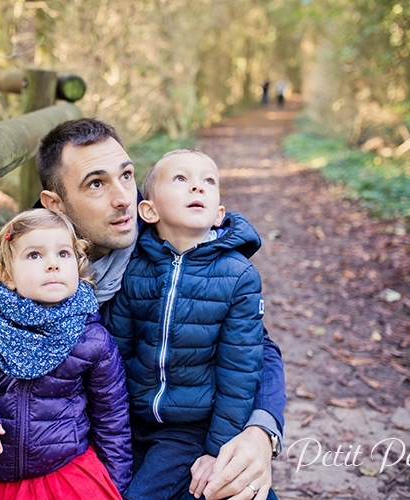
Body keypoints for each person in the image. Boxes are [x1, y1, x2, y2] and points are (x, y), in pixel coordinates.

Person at [0, 118, 286, 500]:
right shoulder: (32, 263)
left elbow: (254, 345)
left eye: (126, 175)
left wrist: (259, 431)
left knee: (239, 490)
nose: (123, 198)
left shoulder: (160, 233)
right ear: (55, 204)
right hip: (75, 444)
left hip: (174, 430)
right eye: (96, 184)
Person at [0, 209, 132, 499]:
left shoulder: (92, 339)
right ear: (8, 276)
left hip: (67, 471)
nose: (52, 265)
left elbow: (112, 420)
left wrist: (114, 484)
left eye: (64, 254)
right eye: (35, 255)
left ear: (78, 266)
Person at [106, 149, 270, 500]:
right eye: (181, 179)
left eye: (208, 181)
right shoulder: (134, 268)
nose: (198, 187)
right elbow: (116, 349)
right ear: (148, 210)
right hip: (131, 418)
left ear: (218, 214)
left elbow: (239, 370)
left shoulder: (238, 275)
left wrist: (217, 449)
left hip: (189, 426)